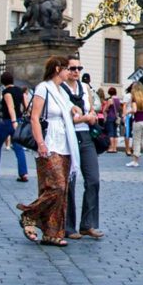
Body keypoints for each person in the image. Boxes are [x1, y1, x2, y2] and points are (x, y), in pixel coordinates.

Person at [16, 56, 81, 247]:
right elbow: (35, 117)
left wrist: (79, 111)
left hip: (65, 143)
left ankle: (52, 233)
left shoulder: (62, 91)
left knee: (62, 191)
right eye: (67, 69)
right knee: (57, 186)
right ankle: (29, 214)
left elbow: (71, 110)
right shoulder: (43, 88)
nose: (70, 72)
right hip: (49, 142)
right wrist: (40, 143)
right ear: (57, 69)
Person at [61, 57, 103, 240]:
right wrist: (85, 117)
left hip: (86, 137)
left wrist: (90, 116)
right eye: (72, 68)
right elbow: (67, 117)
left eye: (79, 68)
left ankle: (87, 224)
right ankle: (68, 226)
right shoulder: (59, 89)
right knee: (69, 183)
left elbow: (91, 110)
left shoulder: (85, 88)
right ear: (64, 69)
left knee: (93, 180)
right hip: (68, 138)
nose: (76, 71)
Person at [0, 71, 30, 182]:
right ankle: (23, 173)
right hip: (18, 121)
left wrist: (13, 121)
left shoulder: (6, 92)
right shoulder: (20, 91)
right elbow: (26, 107)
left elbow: (11, 107)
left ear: (3, 81)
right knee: (19, 148)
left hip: (7, 122)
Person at [126, 82, 143, 167]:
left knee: (137, 141)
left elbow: (134, 110)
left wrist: (128, 111)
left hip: (138, 121)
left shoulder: (134, 98)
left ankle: (135, 161)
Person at [103, 87, 120, 154]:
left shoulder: (110, 100)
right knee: (115, 133)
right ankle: (115, 148)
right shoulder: (118, 99)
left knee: (110, 132)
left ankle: (111, 148)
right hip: (116, 117)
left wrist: (106, 111)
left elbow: (105, 109)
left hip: (110, 116)